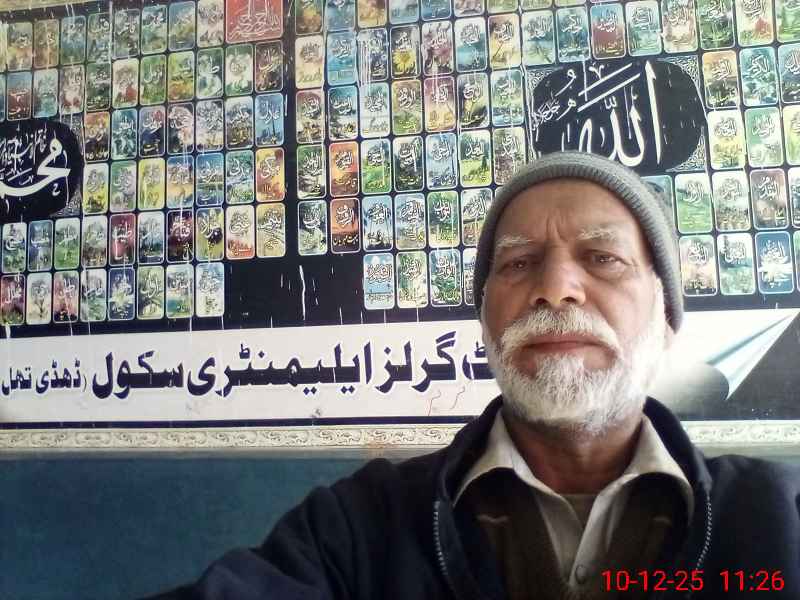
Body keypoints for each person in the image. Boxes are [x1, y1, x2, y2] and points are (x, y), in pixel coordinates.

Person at [150, 152, 800, 599]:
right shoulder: (359, 529)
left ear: (666, 317)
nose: (555, 288)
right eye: (518, 264)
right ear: (486, 318)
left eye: (602, 258)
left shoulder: (776, 520)